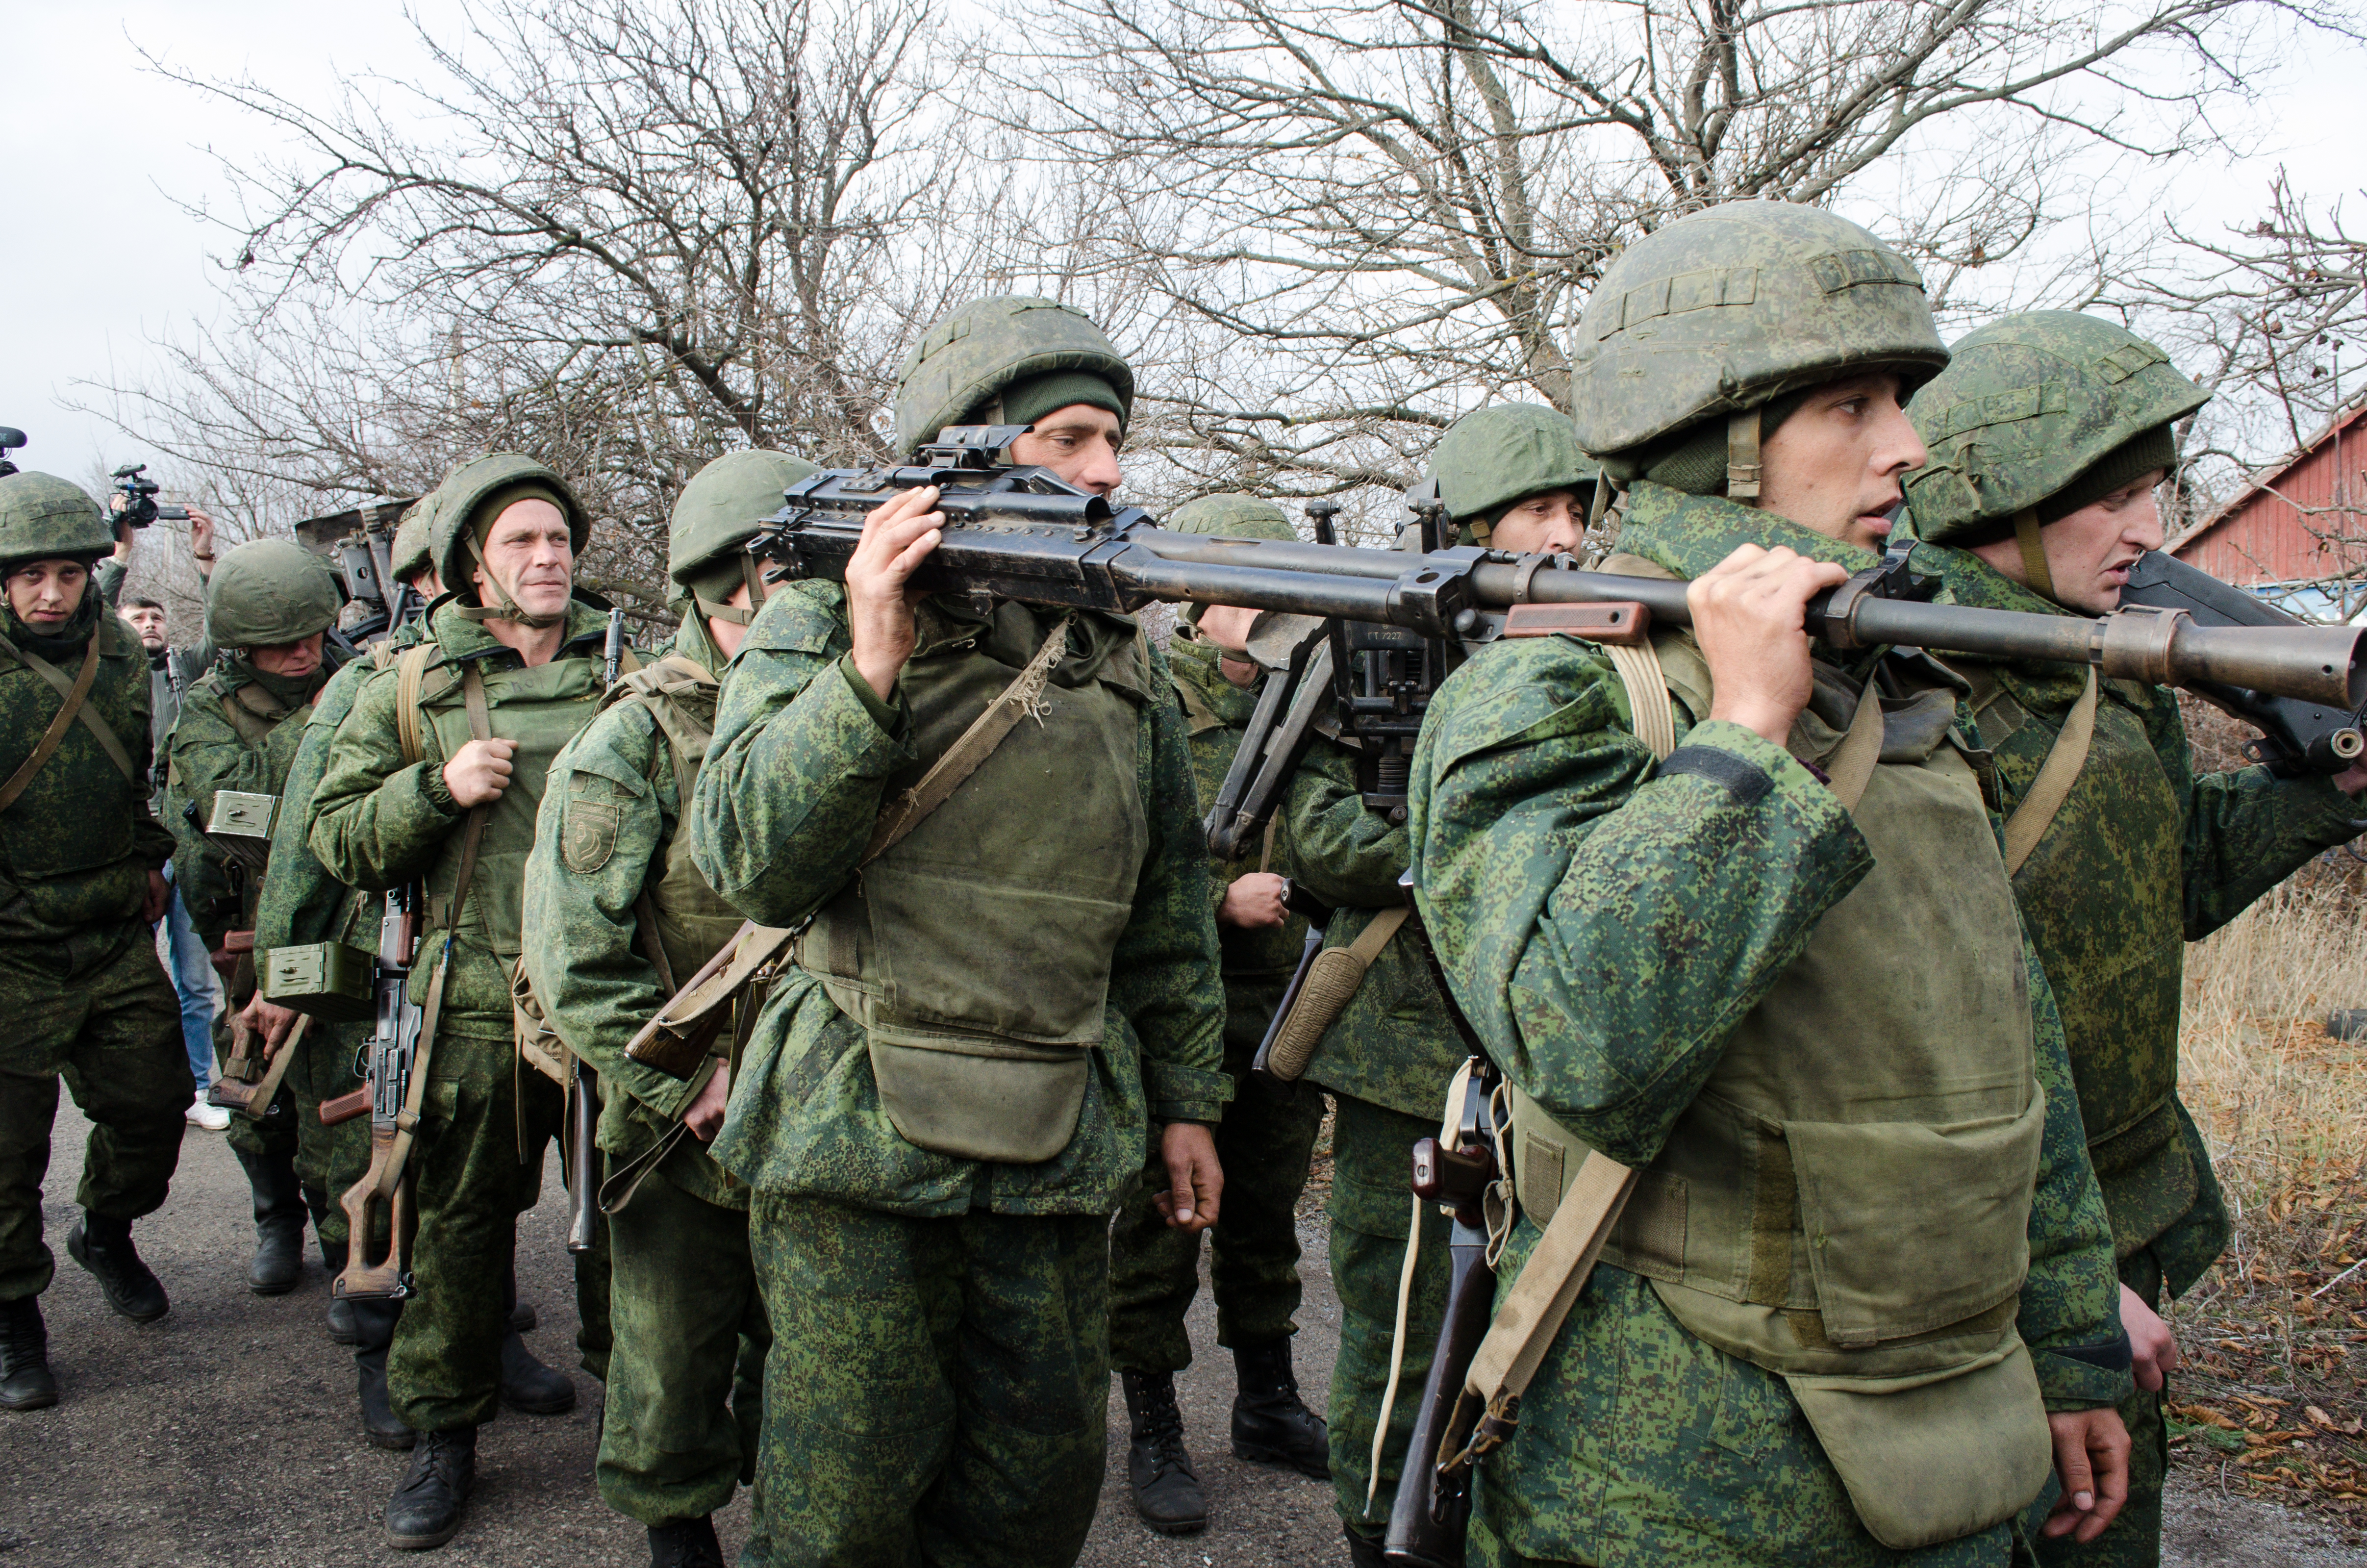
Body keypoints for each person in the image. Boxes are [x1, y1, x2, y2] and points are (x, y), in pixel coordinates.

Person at [1407, 201, 2135, 1565]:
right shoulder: (1555, 687)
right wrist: (1743, 734)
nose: (1907, 447)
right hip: (1682, 1471)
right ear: (1721, 441)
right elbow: (1577, 1036)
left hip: (1957, 1421)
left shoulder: (1901, 681)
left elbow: (2003, 1040)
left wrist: (2072, 1337)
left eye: (1901, 402)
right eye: (1850, 405)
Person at [689, 295, 1231, 1568]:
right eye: (1070, 437)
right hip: (855, 1150)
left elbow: (1164, 907)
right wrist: (869, 664)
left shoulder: (1119, 656)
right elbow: (751, 858)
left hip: (1055, 1150)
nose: (1106, 468)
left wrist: (1185, 1098)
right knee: (840, 1513)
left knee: (1029, 1503)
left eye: (1114, 439)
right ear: (968, 453)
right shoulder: (821, 614)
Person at [1901, 311, 2367, 1566]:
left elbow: (2162, 879)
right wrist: (2047, 1281)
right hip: (1972, 1262)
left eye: (2151, 492)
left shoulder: (2102, 668)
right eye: (2108, 499)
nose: (2148, 532)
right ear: (2000, 493)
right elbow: (1897, 1038)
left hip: (2115, 1220)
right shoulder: (1899, 692)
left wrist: (2324, 786)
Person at [1261, 405, 1602, 1566]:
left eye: (1576, 509)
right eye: (1536, 512)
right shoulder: (1365, 647)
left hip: (1550, 1053)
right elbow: (1309, 833)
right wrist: (1459, 841)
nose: (1561, 535)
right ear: (1466, 525)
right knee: (1403, 1330)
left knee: (1539, 1327)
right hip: (1410, 1056)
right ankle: (1378, 1531)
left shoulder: (1602, 649)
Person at [310, 454, 613, 1548]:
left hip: (609, 1003)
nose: (548, 557)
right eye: (521, 543)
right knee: (459, 1233)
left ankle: (641, 1426)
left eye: (558, 539)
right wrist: (435, 788)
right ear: (471, 570)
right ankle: (445, 1437)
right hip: (473, 1004)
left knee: (625, 1230)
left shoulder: (626, 665)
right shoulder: (407, 684)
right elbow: (336, 836)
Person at [525, 448, 813, 1568]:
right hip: (684, 1119)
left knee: (820, 1357)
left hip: (823, 1104)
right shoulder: (635, 738)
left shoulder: (852, 712)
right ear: (725, 581)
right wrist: (681, 1080)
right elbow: (576, 957)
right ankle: (677, 1527)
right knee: (669, 1347)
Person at [249, 501, 569, 1447]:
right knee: (416, 1187)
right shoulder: (382, 684)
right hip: (420, 963)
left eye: (556, 542)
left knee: (524, 1203)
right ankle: (410, 1378)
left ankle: (499, 1345)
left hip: (566, 979)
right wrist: (278, 971)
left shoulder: (597, 665)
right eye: (425, 576)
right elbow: (311, 841)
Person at [1105, 494, 1331, 1537]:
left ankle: (1267, 1403)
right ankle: (1153, 1427)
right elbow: (1114, 871)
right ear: (1195, 593)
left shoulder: (1314, 700)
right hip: (1178, 1009)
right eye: (1242, 578)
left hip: (1287, 1005)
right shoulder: (1147, 696)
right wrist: (1215, 901)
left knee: (1263, 1215)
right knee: (1161, 1222)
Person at [0, 471, 188, 1412]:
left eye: (66, 573)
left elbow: (142, 773)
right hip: (11, 948)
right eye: (28, 575)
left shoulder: (118, 654)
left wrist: (153, 855)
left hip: (114, 929)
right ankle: (14, 1318)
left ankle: (105, 1227)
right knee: (4, 1152)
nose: (48, 592)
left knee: (155, 1103)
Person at [162, 537, 344, 1296]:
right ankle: (277, 1217)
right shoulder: (206, 712)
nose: (304, 653)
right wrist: (334, 724)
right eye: (281, 644)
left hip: (341, 909)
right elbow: (240, 812)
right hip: (243, 922)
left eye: (312, 635)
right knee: (256, 1081)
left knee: (341, 1086)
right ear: (242, 645)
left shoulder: (354, 680)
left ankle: (348, 1251)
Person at [126, 594, 231, 1130]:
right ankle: (140, 1091)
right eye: (137, 618)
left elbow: (220, 630)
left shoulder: (182, 668)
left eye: (155, 617)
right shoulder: (110, 671)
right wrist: (119, 555)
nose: (149, 625)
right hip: (130, 839)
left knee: (196, 978)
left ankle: (195, 1087)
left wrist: (207, 562)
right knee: (133, 980)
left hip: (184, 838)